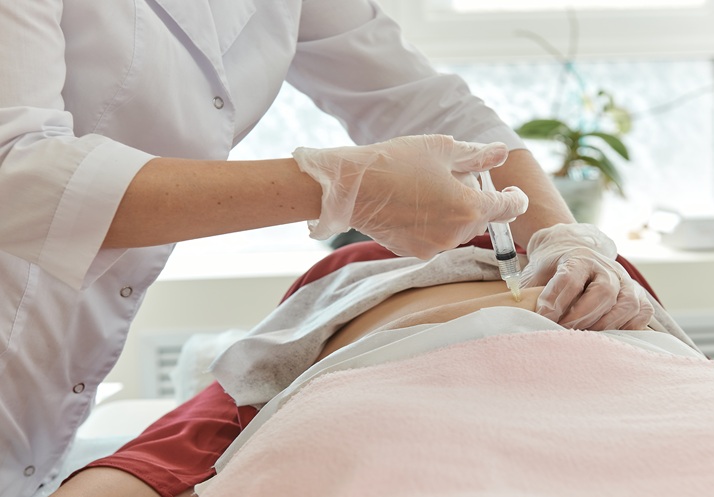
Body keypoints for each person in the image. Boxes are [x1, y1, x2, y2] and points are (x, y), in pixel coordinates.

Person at [0, 1, 652, 495]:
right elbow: (15, 176)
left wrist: (566, 238)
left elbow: (425, 105)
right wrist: (336, 186)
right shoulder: (342, 292)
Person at [55, 232, 678, 497]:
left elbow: (206, 421)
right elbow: (229, 401)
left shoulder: (597, 264)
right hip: (398, 395)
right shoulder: (353, 267)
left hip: (648, 387)